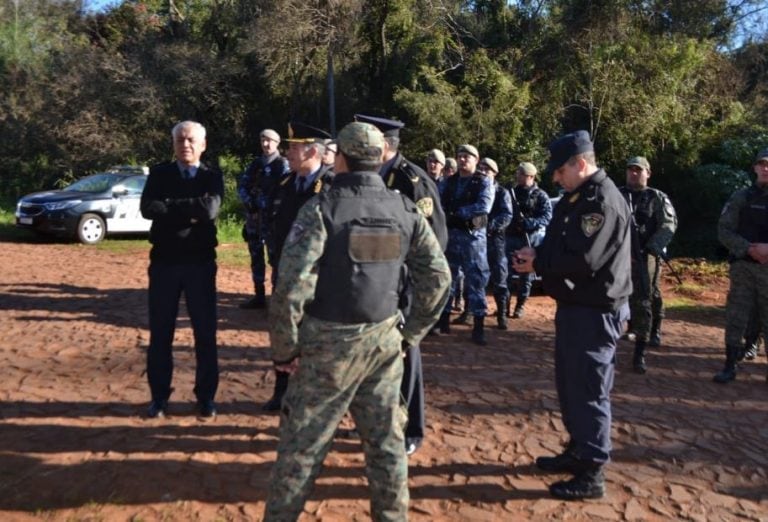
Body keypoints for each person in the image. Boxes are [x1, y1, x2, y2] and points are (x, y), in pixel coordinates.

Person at [263, 121, 451, 521]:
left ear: (342, 159)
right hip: (384, 344)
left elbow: (290, 286)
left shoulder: (322, 208)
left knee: (301, 451)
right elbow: (438, 278)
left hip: (327, 348)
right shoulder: (403, 209)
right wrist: (410, 334)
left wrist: (285, 350)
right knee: (387, 448)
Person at [514, 130, 631, 500]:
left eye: (560, 170)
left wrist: (538, 264)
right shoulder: (577, 197)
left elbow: (584, 259)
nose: (555, 177)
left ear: (581, 163)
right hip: (577, 308)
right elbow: (559, 242)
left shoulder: (601, 202)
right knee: (571, 384)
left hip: (596, 312)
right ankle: (579, 449)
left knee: (589, 390)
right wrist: (538, 258)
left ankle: (592, 472)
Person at [354, 114, 448, 455]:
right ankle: (376, 420)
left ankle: (411, 428)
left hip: (403, 284)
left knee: (405, 355)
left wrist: (410, 279)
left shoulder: (412, 180)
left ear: (383, 143)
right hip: (373, 285)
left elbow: (435, 239)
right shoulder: (367, 176)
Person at [139, 120, 224, 419]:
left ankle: (206, 398)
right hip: (164, 264)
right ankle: (159, 398)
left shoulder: (212, 176)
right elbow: (148, 208)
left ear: (202, 144)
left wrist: (171, 207)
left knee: (205, 334)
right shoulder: (159, 173)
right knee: (161, 334)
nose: (185, 145)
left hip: (200, 265)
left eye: (190, 140)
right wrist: (190, 211)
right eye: (179, 140)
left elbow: (210, 210)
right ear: (173, 143)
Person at [262, 121, 333, 412]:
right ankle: (282, 391)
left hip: (318, 278)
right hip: (285, 272)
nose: (288, 152)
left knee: (316, 337)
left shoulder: (330, 187)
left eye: (294, 147)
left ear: (313, 151)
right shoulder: (285, 184)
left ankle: (314, 395)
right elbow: (274, 224)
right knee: (283, 331)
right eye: (289, 147)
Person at [714, 148, 768, 383]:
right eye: (761, 164)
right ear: (755, 167)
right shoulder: (741, 197)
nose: (766, 168)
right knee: (736, 316)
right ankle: (729, 365)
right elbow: (723, 230)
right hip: (743, 267)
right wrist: (749, 248)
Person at [619, 156, 677, 373]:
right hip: (618, 257)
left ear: (648, 173)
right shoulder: (617, 194)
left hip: (646, 256)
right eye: (630, 170)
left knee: (645, 297)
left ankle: (640, 351)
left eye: (638, 170)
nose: (634, 173)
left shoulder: (656, 197)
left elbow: (668, 225)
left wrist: (650, 248)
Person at [437, 143, 494, 345]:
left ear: (476, 160)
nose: (462, 160)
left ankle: (478, 326)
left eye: (467, 157)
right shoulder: (448, 182)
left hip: (473, 238)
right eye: (460, 156)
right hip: (451, 236)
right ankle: (443, 321)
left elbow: (484, 206)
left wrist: (457, 214)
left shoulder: (483, 182)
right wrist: (447, 216)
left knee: (476, 280)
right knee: (446, 279)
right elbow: (438, 202)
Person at [237, 129, 290, 309]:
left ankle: (276, 297)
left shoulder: (282, 164)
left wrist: (265, 204)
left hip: (273, 221)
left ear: (277, 142)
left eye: (269, 141)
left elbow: (284, 192)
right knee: (255, 256)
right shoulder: (255, 164)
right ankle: (259, 295)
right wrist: (249, 202)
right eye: (263, 141)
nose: (266, 144)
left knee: (275, 258)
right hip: (254, 220)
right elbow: (243, 185)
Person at [505, 162, 552, 318]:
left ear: (530, 176)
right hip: (511, 237)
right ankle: (504, 306)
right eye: (518, 173)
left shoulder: (540, 195)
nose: (517, 176)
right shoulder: (511, 193)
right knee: (506, 273)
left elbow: (546, 217)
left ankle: (520, 306)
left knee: (526, 275)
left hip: (529, 239)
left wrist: (530, 223)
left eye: (521, 174)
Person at [477, 157, 513, 330]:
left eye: (487, 169)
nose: (483, 172)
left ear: (495, 173)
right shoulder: (475, 188)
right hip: (478, 239)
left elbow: (507, 215)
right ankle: (471, 312)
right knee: (476, 276)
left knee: (499, 277)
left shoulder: (502, 192)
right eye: (481, 168)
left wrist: (490, 226)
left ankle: (502, 314)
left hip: (495, 239)